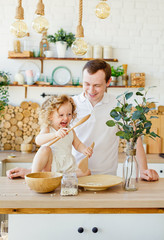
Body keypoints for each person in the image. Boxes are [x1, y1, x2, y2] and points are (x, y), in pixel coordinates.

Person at [7, 59, 159, 181]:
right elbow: (47, 142)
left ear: (108, 82)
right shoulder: (69, 106)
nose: (91, 90)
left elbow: (133, 137)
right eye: (86, 84)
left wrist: (144, 170)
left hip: (107, 178)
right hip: (72, 176)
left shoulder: (118, 106)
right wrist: (33, 172)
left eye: (97, 85)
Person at [8, 95, 93, 179]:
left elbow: (78, 145)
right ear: (50, 116)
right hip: (50, 167)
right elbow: (38, 140)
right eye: (61, 115)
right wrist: (55, 134)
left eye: (69, 114)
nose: (66, 118)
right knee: (45, 149)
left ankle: (62, 177)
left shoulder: (71, 131)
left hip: (67, 166)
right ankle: (33, 177)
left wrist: (84, 150)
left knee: (87, 172)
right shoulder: (48, 129)